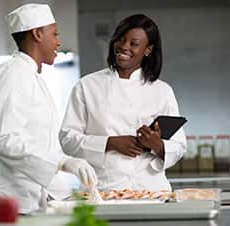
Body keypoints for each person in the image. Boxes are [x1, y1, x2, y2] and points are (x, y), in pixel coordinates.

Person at [0, 3, 97, 215]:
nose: (58, 41)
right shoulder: (13, 75)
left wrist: (64, 193)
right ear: (37, 34)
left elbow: (36, 145)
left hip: (22, 197)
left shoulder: (31, 76)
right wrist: (63, 162)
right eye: (54, 34)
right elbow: (4, 139)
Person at [59, 14, 186, 192]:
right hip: (104, 191)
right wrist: (110, 143)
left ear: (148, 50)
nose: (124, 47)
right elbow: (67, 139)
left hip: (151, 191)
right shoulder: (87, 86)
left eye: (133, 43)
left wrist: (156, 145)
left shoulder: (162, 91)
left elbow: (179, 147)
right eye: (120, 39)